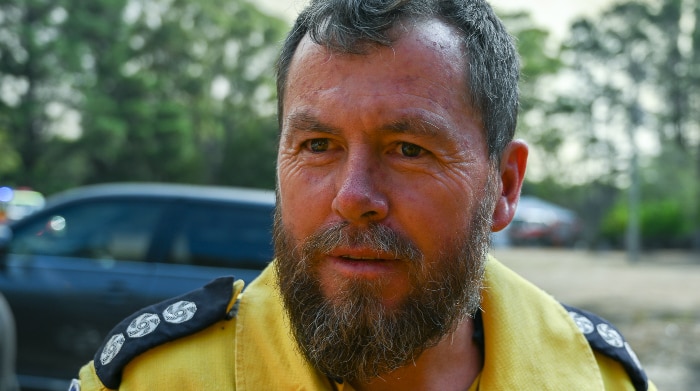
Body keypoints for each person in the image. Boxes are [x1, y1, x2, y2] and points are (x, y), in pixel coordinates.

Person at [72, 0, 657, 390]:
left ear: (504, 187)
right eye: (318, 144)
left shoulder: (598, 380)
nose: (353, 197)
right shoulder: (152, 381)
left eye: (408, 149)